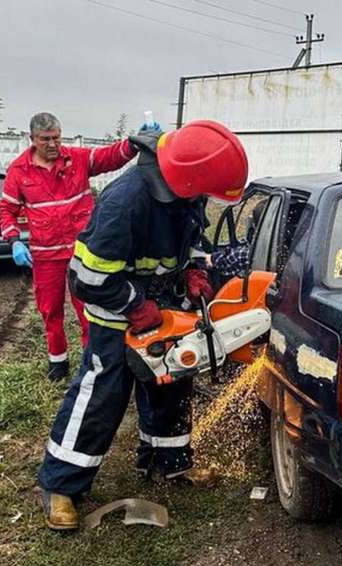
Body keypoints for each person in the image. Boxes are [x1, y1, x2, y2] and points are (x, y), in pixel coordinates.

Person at [37, 119, 249, 530]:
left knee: (172, 383)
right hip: (116, 316)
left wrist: (192, 270)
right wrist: (135, 306)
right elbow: (88, 278)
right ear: (190, 179)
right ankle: (61, 485)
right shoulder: (125, 202)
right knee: (104, 393)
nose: (206, 199)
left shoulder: (185, 190)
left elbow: (190, 239)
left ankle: (167, 463)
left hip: (166, 308)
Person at [0, 112, 141, 382]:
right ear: (32, 139)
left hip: (80, 252)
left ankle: (92, 360)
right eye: (45, 140)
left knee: (89, 308)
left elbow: (108, 157)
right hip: (45, 255)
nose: (53, 145)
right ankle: (58, 362)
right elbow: (6, 209)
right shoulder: (19, 171)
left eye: (56, 138)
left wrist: (134, 143)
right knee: (50, 310)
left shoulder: (77, 159)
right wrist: (14, 240)